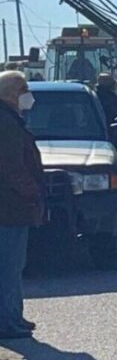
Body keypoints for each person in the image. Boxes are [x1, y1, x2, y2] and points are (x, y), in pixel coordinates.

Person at [0, 71, 43, 340]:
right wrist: (32, 191)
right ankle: (8, 322)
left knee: (13, 266)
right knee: (9, 266)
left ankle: (14, 316)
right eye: (23, 89)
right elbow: (11, 166)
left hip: (11, 206)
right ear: (10, 93)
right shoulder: (5, 122)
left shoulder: (11, 119)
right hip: (9, 207)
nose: (28, 95)